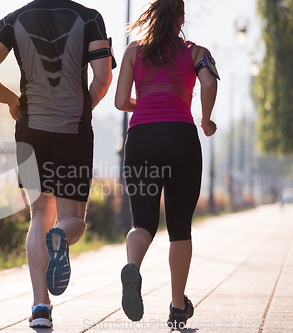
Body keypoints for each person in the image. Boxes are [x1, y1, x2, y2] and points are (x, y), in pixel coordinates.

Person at [0, 0, 113, 328]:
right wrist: (82, 108)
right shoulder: (89, 18)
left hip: (30, 130)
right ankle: (61, 236)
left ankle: (40, 309)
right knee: (71, 219)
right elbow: (103, 77)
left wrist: (11, 100)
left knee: (39, 217)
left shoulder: (14, 19)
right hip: (72, 131)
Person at [115, 0, 218, 329]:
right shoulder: (196, 51)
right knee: (179, 228)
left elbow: (120, 102)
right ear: (181, 18)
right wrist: (205, 118)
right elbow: (210, 82)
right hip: (181, 138)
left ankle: (133, 266)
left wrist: (144, 104)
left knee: (143, 222)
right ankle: (177, 307)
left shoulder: (134, 51)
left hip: (141, 138)